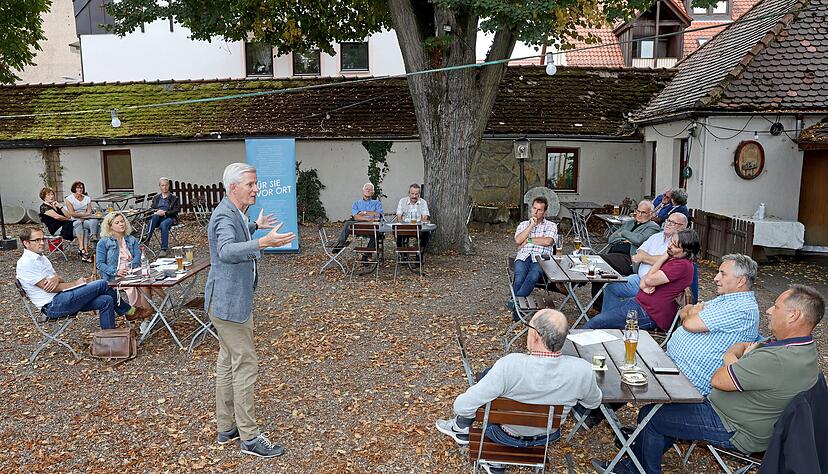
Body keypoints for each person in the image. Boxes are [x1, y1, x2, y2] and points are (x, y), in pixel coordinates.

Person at [593, 285, 825, 474]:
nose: (769, 311)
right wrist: (739, 357)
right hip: (742, 417)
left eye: (776, 306)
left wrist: (731, 358)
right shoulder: (801, 350)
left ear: (794, 315)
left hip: (734, 427)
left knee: (651, 416)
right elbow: (743, 345)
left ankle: (636, 469)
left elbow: (718, 379)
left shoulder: (776, 359)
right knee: (665, 412)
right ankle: (639, 452)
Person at [436, 309, 602, 474]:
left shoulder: (510, 365)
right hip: (545, 438)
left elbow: (462, 406)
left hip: (503, 435)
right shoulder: (583, 370)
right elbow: (593, 403)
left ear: (535, 335)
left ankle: (480, 447)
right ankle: (494, 461)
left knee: (488, 386)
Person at [205, 163, 296, 458]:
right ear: (233, 187)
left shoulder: (234, 213)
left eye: (256, 184)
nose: (257, 189)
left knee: (227, 362)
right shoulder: (224, 215)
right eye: (251, 184)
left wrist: (255, 226)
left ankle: (226, 427)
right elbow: (226, 250)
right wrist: (263, 242)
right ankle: (249, 437)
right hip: (230, 305)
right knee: (245, 365)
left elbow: (236, 233)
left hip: (225, 302)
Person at [667, 254, 760, 395]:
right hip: (672, 365)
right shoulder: (727, 299)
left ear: (741, 281)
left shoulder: (742, 308)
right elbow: (684, 311)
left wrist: (692, 315)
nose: (716, 278)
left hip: (689, 381)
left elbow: (689, 323)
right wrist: (692, 314)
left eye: (723, 274)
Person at [16, 227, 142, 329]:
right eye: (37, 240)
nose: (42, 243)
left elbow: (59, 280)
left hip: (62, 297)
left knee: (106, 300)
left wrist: (56, 278)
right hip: (53, 305)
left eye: (43, 239)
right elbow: (50, 288)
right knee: (102, 283)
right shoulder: (26, 263)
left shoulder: (41, 257)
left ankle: (110, 340)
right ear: (26, 243)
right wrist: (76, 284)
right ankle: (129, 311)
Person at [583, 229, 698, 331]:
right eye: (671, 241)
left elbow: (648, 280)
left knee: (594, 324)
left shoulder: (681, 265)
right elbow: (643, 282)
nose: (669, 246)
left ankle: (580, 346)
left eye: (675, 245)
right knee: (603, 317)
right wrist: (647, 281)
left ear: (686, 251)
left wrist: (664, 257)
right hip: (640, 303)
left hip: (651, 313)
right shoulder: (674, 259)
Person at [598, 213, 688, 313]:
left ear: (683, 227)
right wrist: (652, 259)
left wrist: (644, 258)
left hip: (654, 285)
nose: (668, 224)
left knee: (605, 266)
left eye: (673, 223)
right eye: (668, 220)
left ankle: (612, 317)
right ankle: (609, 316)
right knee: (610, 287)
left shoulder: (679, 246)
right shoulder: (656, 237)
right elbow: (638, 254)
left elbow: (666, 261)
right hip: (638, 277)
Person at [95, 212, 154, 319]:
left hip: (132, 270)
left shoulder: (131, 239)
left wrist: (132, 267)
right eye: (117, 223)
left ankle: (146, 315)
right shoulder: (103, 242)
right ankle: (138, 313)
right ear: (110, 226)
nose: (121, 224)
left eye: (122, 221)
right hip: (115, 275)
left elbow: (138, 255)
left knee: (149, 279)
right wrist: (116, 271)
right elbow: (99, 264)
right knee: (138, 285)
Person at [511, 197, 557, 298]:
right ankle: (517, 302)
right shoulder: (523, 225)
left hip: (541, 257)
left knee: (533, 277)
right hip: (524, 255)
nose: (535, 212)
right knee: (519, 278)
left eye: (539, 210)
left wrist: (528, 240)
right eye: (534, 208)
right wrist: (531, 225)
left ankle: (515, 302)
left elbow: (548, 241)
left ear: (544, 212)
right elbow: (518, 240)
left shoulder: (551, 225)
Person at [599, 200, 660, 276]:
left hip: (629, 259)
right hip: (614, 253)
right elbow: (611, 239)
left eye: (643, 212)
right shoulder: (629, 222)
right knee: (598, 264)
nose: (639, 215)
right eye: (638, 211)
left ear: (650, 214)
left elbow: (638, 240)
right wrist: (629, 239)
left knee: (599, 259)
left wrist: (623, 233)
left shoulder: (653, 227)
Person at [334, 182, 384, 249]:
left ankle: (367, 254)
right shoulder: (356, 203)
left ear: (373, 193)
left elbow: (378, 214)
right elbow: (356, 217)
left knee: (377, 232)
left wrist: (364, 212)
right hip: (359, 226)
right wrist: (368, 218)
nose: (368, 190)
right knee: (348, 223)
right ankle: (339, 244)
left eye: (370, 189)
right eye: (366, 189)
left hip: (372, 226)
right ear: (363, 191)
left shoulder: (377, 203)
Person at [141, 177, 181, 257]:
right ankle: (146, 239)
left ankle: (163, 249)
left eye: (166, 185)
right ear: (160, 186)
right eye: (162, 185)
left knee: (164, 224)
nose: (164, 187)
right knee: (155, 216)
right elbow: (152, 209)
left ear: (169, 185)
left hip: (170, 217)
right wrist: (157, 212)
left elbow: (176, 210)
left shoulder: (174, 198)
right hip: (157, 218)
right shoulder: (156, 198)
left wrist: (165, 213)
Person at [64, 180, 100, 262]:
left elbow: (90, 211)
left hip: (85, 219)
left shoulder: (87, 198)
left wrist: (82, 215)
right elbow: (72, 214)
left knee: (94, 220)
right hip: (75, 221)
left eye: (81, 188)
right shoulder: (69, 199)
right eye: (78, 188)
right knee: (96, 227)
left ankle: (89, 245)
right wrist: (84, 214)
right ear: (74, 189)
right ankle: (95, 249)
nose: (80, 189)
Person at [394, 183, 431, 251]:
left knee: (427, 233)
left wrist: (424, 219)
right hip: (405, 227)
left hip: (418, 228)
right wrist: (402, 223)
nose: (414, 196)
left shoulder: (423, 202)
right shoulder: (402, 201)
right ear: (409, 193)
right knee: (398, 233)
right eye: (412, 194)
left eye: (416, 194)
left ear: (419, 194)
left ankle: (420, 253)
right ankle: (403, 254)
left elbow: (425, 217)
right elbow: (399, 216)